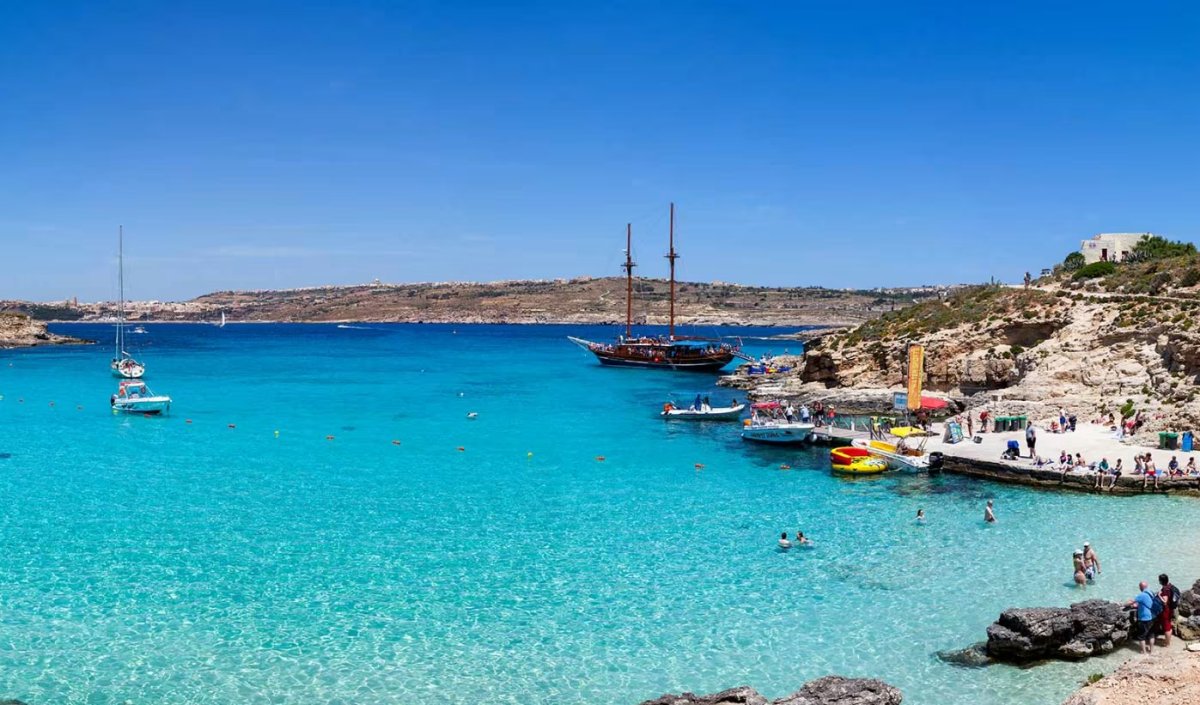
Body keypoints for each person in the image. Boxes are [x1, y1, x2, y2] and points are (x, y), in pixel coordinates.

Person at [1126, 581, 1158, 654]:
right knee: (1151, 634)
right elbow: (1147, 602)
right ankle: (1152, 651)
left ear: (1140, 587)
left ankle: (1144, 652)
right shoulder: (1151, 592)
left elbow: (1131, 602)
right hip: (1153, 616)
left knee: (1141, 636)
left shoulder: (1142, 595)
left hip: (1144, 618)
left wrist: (1122, 604)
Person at [1160, 574, 1180, 647]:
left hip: (1166, 610)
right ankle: (1168, 641)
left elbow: (1165, 602)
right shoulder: (1170, 586)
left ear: (1161, 581)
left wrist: (1159, 595)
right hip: (1171, 608)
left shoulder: (1165, 589)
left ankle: (1167, 644)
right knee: (1169, 625)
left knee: (1166, 627)